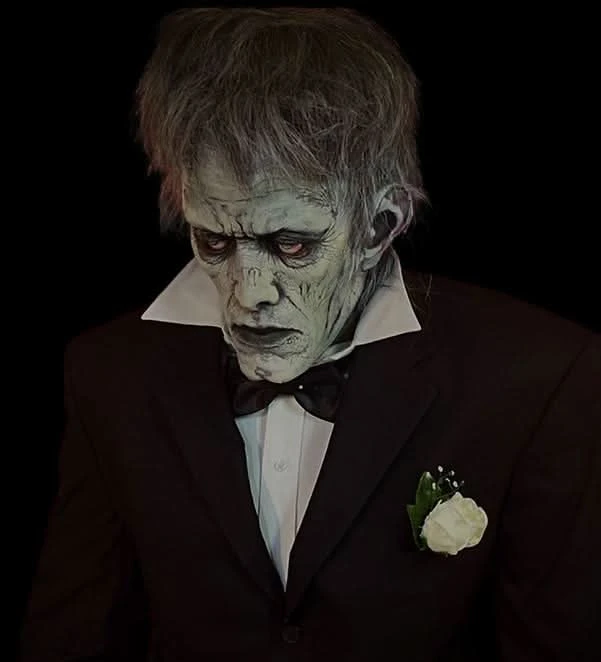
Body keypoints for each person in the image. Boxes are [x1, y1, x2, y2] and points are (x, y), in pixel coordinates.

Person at [20, 7, 600, 661]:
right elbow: (73, 635)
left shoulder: (534, 377)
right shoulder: (109, 374)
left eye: (291, 243)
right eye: (214, 240)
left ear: (379, 226)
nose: (249, 293)